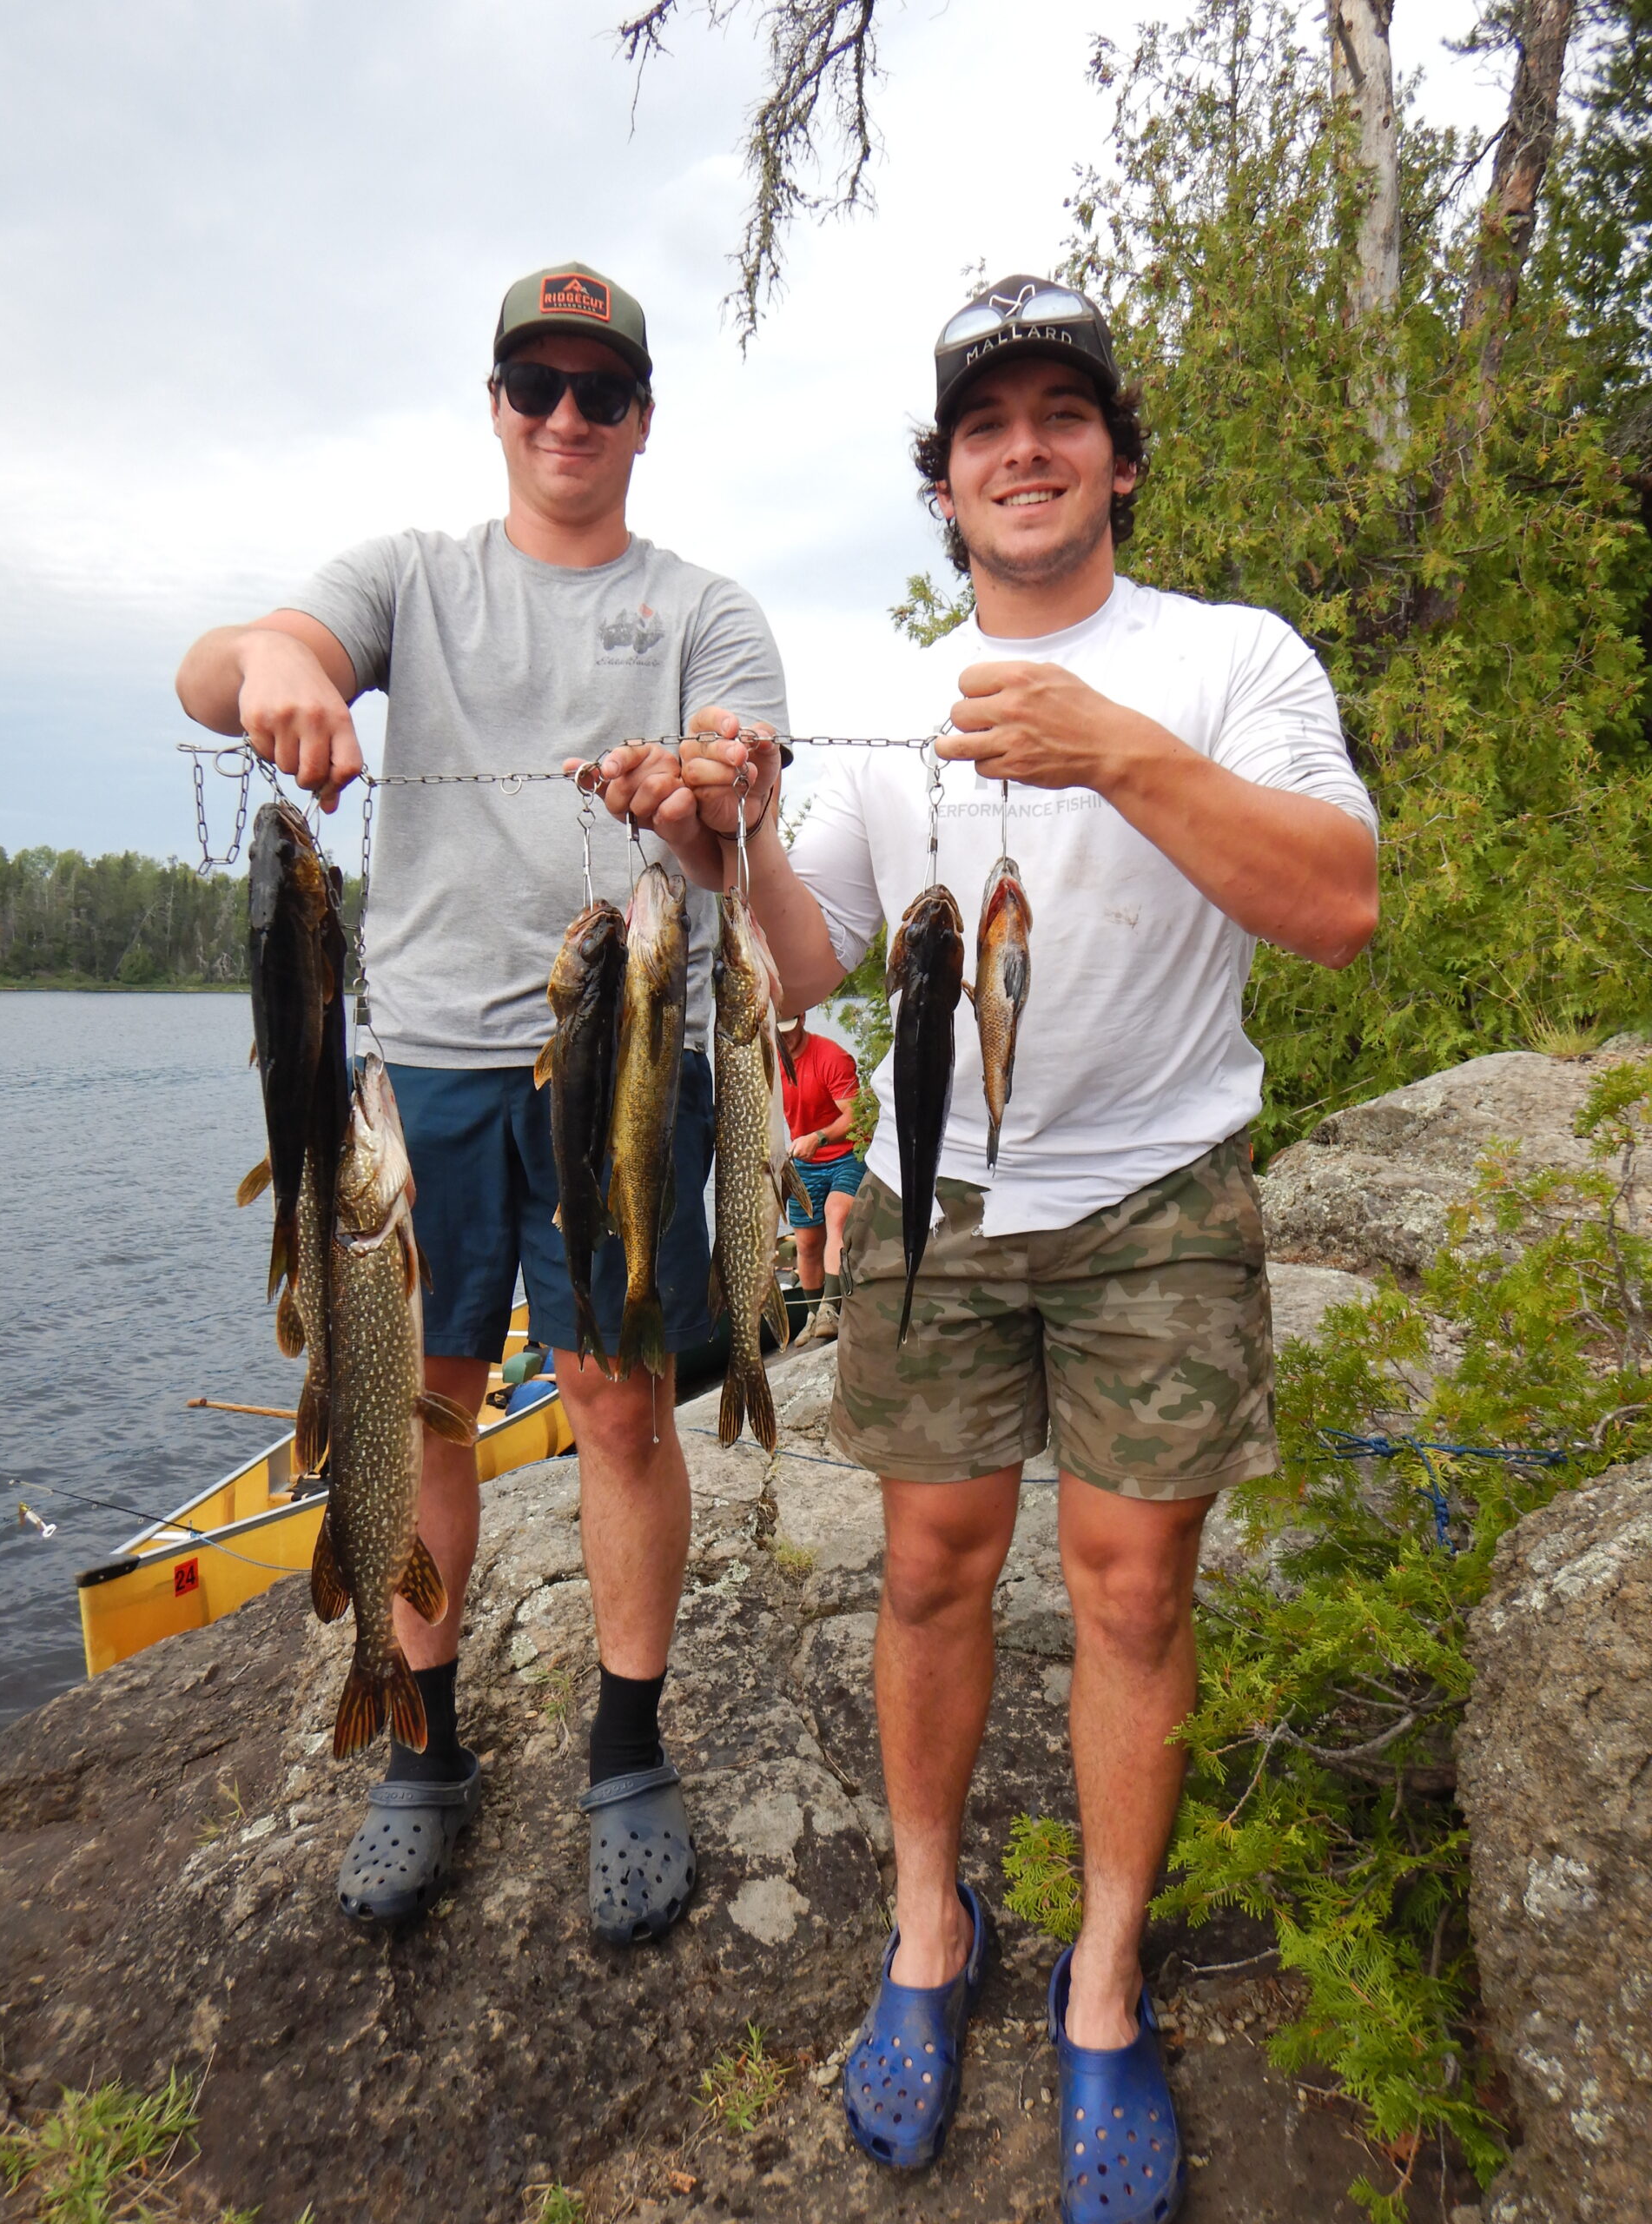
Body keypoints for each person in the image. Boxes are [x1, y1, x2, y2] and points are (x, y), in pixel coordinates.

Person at [644, 275, 1379, 2217]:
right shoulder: (908, 709)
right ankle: (924, 1923)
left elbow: (1340, 905)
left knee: (1134, 1593)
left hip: (1162, 1196)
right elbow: (811, 973)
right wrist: (747, 845)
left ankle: (1109, 1973)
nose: (1026, 448)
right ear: (947, 484)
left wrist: (1114, 748)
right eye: (988, 426)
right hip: (935, 1199)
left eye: (1063, 414)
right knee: (925, 1568)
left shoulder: (1233, 661)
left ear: (1119, 459)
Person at [175, 260, 788, 1943]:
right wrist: (278, 671)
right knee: (421, 1391)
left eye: (602, 391)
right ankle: (421, 1742)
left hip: (629, 1058)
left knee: (616, 1403)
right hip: (430, 1061)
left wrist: (702, 792)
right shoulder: (412, 579)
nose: (569, 418)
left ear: (644, 420)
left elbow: (749, 800)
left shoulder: (708, 608)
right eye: (539, 387)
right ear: (499, 407)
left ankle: (627, 1741)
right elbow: (218, 665)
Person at [776, 1009, 862, 1344]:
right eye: (777, 1030)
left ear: (803, 1019)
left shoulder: (830, 1056)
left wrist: (821, 1138)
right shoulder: (771, 1060)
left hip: (845, 1153)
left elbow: (854, 1114)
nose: (784, 1036)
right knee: (807, 1243)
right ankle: (813, 1315)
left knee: (837, 1214)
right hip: (804, 1162)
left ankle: (832, 1307)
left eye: (789, 1027)